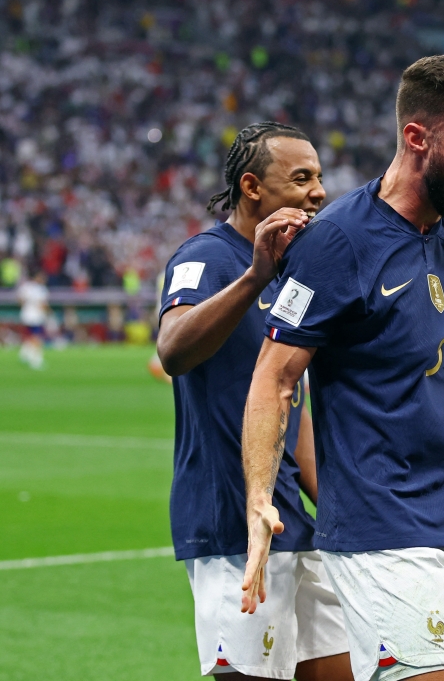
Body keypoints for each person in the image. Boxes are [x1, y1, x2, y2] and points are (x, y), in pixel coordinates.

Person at [240, 55, 444, 681]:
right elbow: (274, 375)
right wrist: (258, 498)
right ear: (416, 137)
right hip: (379, 523)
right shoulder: (336, 243)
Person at [157, 122, 352, 681]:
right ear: (252, 187)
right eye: (300, 178)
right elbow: (172, 349)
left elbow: (294, 409)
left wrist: (336, 508)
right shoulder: (206, 257)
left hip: (294, 523)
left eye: (319, 176)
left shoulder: (296, 271)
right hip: (231, 523)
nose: (317, 191)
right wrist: (252, 277)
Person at [17, 271, 49, 370]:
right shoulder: (41, 289)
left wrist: (26, 306)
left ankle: (24, 354)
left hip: (26, 316)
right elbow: (43, 305)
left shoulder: (26, 286)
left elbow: (20, 300)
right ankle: (36, 360)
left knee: (30, 337)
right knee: (37, 338)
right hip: (36, 317)